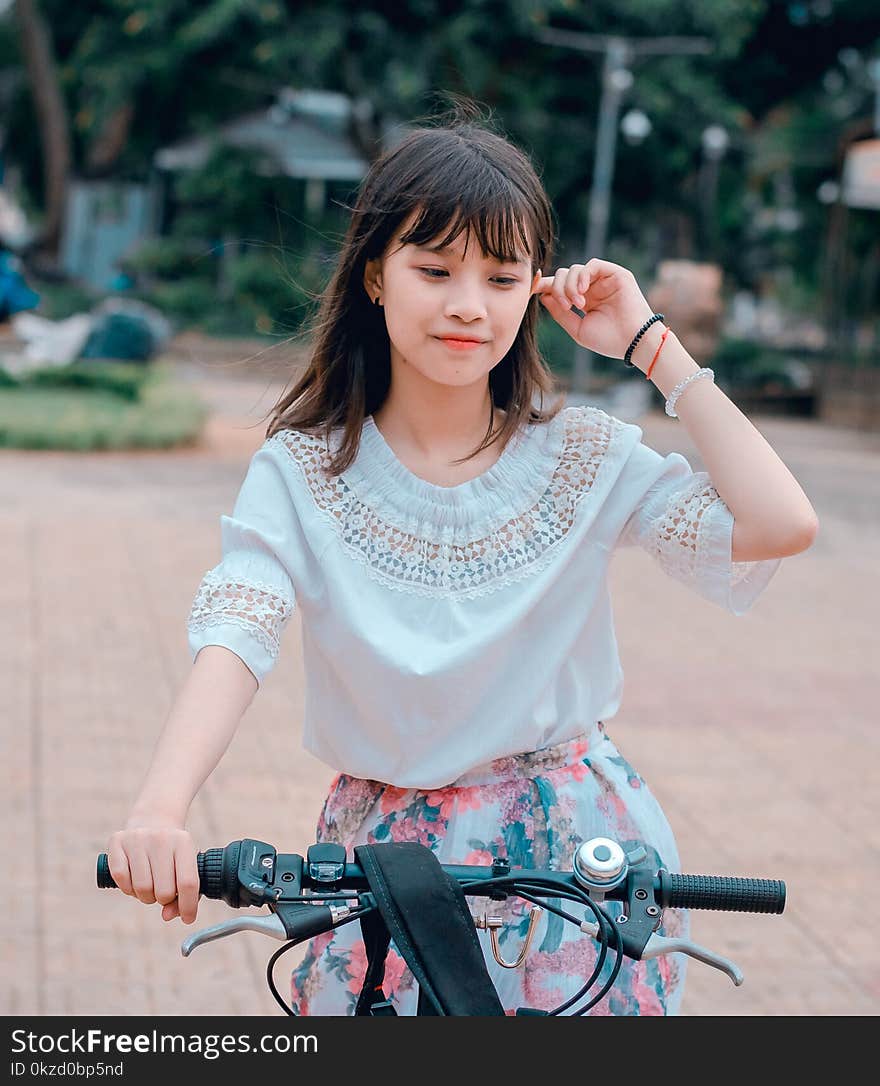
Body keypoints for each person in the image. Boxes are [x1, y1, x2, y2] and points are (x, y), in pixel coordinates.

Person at [105, 104, 818, 1016]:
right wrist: (160, 810)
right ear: (375, 275)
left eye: (501, 275)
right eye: (434, 269)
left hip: (576, 857)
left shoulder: (582, 457)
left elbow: (781, 524)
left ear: (532, 291)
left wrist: (654, 349)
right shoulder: (305, 472)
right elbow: (239, 631)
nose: (468, 306)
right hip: (383, 863)